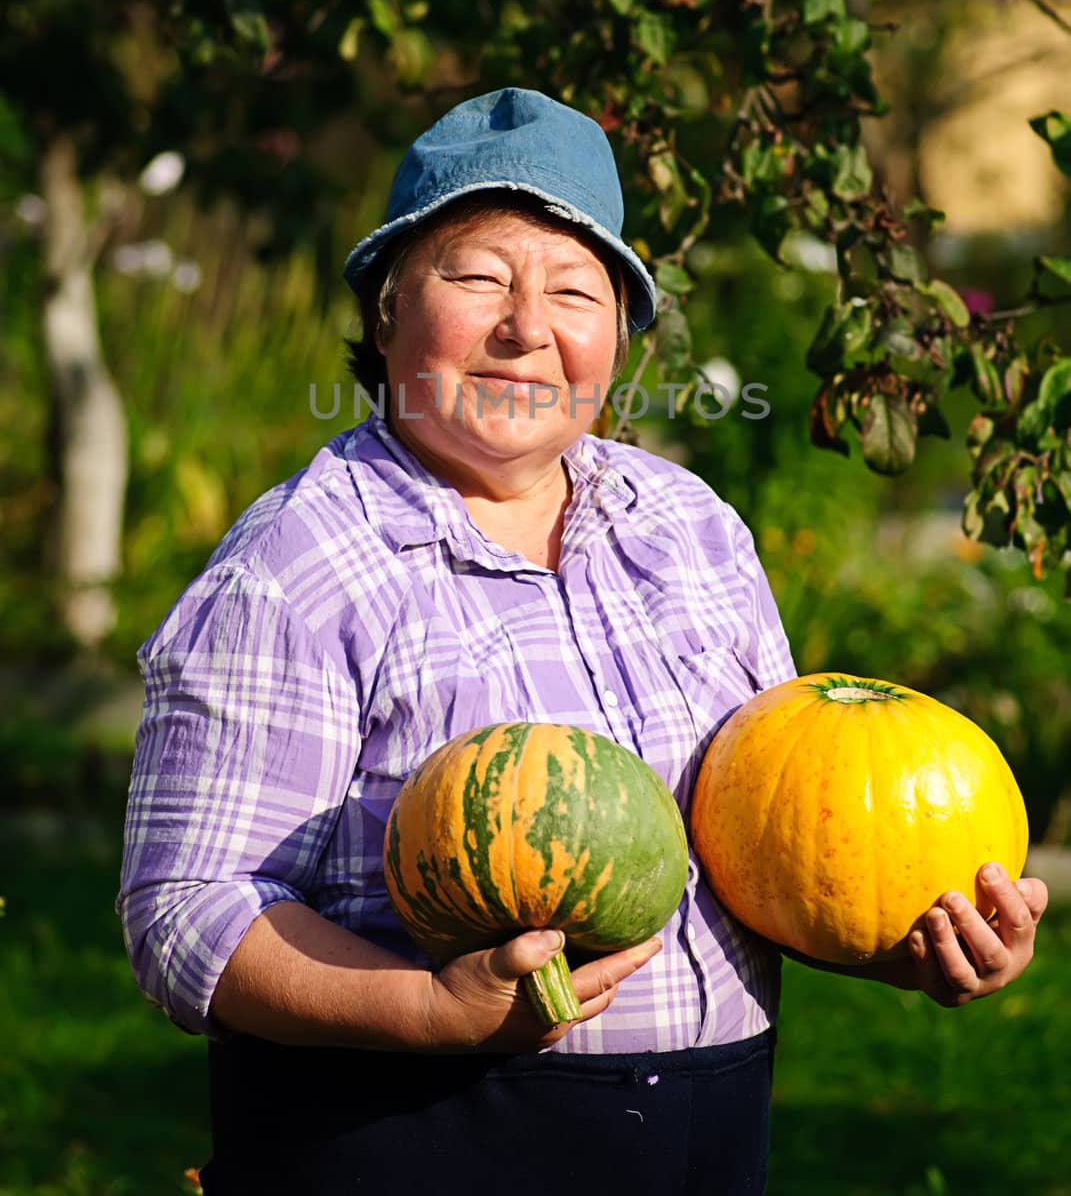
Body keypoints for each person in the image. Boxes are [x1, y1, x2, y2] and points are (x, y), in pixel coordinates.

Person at [118, 87, 1048, 1195]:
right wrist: (427, 1008)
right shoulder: (297, 567)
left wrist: (902, 934)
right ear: (386, 311)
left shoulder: (689, 527)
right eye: (477, 277)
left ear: (616, 332)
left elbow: (777, 829)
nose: (528, 327)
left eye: (575, 289)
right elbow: (185, 915)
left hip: (708, 1140)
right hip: (410, 1144)